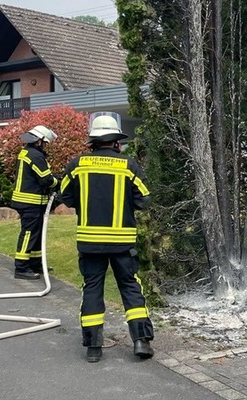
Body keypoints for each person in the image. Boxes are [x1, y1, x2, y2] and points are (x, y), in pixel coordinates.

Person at [59, 112, 155, 363]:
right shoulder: (128, 165)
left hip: (90, 241)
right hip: (122, 242)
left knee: (92, 288)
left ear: (93, 141)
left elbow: (64, 196)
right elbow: (144, 198)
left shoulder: (77, 165)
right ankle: (141, 341)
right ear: (116, 142)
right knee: (130, 287)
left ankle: (93, 347)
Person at [10, 125, 59, 280]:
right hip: (30, 203)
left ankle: (36, 263)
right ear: (39, 141)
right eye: (45, 144)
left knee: (36, 235)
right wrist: (59, 182)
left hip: (30, 202)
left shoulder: (27, 152)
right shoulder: (35, 156)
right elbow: (46, 180)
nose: (45, 147)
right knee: (29, 234)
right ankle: (21, 267)